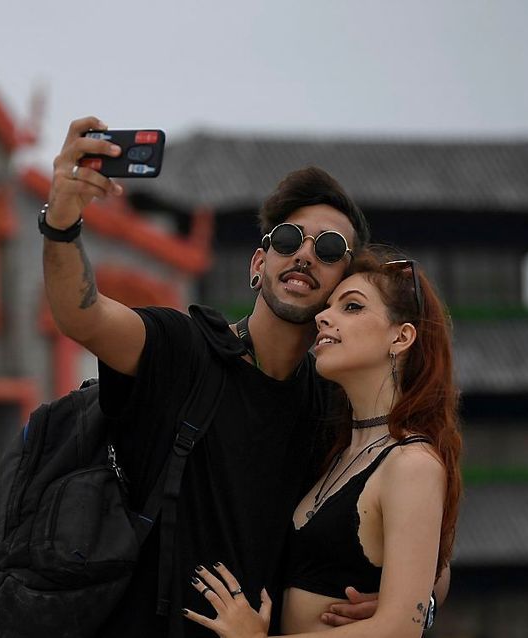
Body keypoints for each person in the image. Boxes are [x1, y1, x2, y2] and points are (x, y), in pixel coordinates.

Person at [42, 116, 434, 637]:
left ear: (346, 283)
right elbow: (81, 315)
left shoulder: (341, 405)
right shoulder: (183, 351)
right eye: (290, 238)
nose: (305, 254)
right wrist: (63, 220)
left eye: (330, 249)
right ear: (258, 262)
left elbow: (424, 540)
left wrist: (415, 603)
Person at [181, 253, 462, 638]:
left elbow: (399, 627)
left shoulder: (412, 463)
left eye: (351, 307)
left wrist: (419, 605)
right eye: (328, 307)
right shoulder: (339, 448)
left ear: (401, 336)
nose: (323, 318)